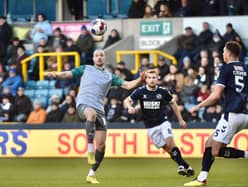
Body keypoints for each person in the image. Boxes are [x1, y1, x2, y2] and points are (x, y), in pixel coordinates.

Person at [183, 41, 248, 186]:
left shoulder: (226, 69)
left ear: (228, 53)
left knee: (215, 151)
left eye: (223, 51)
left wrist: (198, 106)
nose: (222, 54)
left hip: (231, 115)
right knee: (209, 143)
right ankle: (202, 178)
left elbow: (216, 96)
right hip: (243, 116)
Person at [45, 49, 145, 184]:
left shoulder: (110, 76)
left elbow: (127, 85)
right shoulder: (85, 69)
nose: (99, 57)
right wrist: (55, 74)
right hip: (84, 105)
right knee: (90, 114)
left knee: (102, 146)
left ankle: (91, 174)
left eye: (101, 55)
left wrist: (140, 79)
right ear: (93, 58)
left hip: (100, 110)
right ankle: (89, 150)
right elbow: (67, 74)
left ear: (105, 58)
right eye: (96, 55)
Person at [124, 69, 194, 178]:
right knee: (169, 151)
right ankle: (187, 167)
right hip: (150, 126)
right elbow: (127, 100)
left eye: (154, 78)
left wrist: (180, 119)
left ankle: (180, 166)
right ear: (146, 79)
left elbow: (173, 103)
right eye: (149, 78)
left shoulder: (163, 92)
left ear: (157, 79)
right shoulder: (140, 91)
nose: (152, 80)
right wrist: (130, 107)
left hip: (163, 122)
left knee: (171, 143)